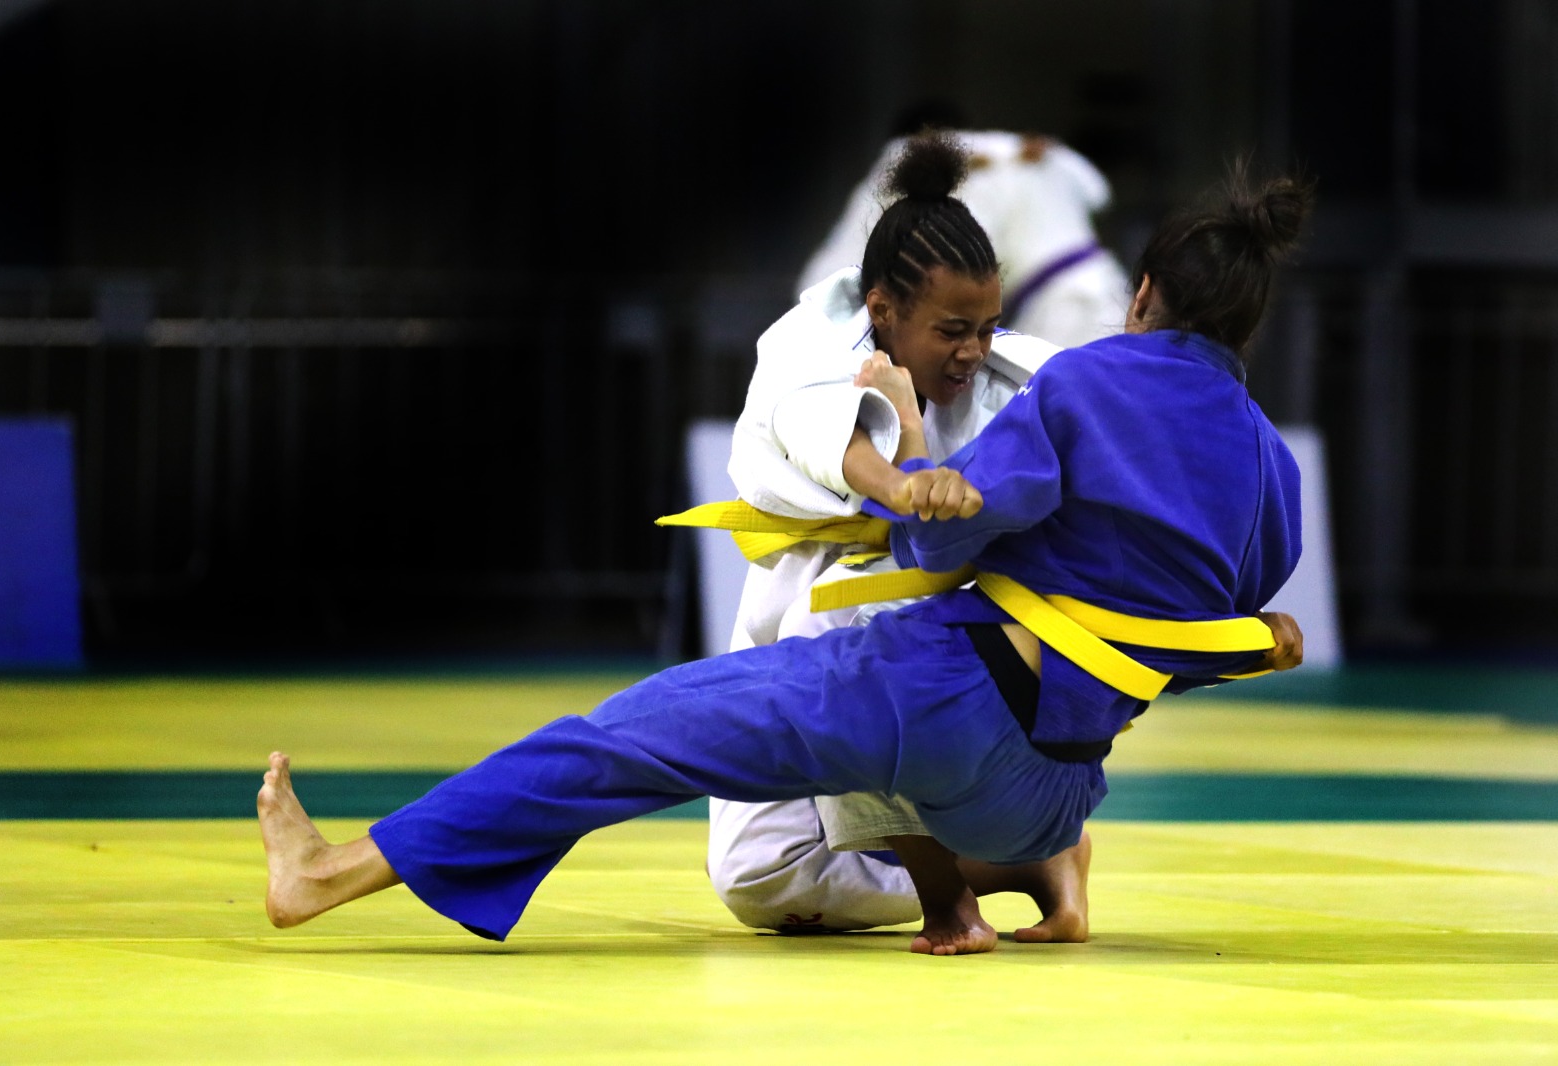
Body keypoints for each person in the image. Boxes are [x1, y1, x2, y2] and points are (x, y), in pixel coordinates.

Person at [257, 158, 1313, 957]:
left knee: (628, 737)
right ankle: (1037, 871)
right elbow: (1202, 640)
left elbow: (932, 539)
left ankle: (330, 871)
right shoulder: (1273, 465)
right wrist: (1258, 642)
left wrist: (914, 457)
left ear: (1140, 294)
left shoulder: (1080, 385)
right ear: (1248, 329)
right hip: (1056, 790)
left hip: (942, 709)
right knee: (804, 807)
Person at [702, 132, 1087, 946]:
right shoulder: (810, 336)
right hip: (799, 588)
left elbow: (1114, 457)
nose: (973, 350)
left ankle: (954, 898)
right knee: (759, 877)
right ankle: (1026, 864)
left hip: (945, 636)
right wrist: (902, 475)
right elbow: (823, 430)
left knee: (859, 646)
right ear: (883, 310)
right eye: (952, 330)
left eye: (987, 326)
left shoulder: (1021, 374)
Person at [796, 104, 1131, 349]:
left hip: (1062, 305)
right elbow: (1099, 192)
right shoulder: (1036, 154)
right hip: (1105, 287)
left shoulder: (911, 157)